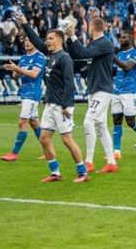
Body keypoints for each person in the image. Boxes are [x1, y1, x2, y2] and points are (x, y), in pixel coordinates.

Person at [19, 17, 89, 183]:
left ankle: (83, 172)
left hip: (62, 106)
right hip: (51, 104)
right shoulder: (50, 55)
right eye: (47, 39)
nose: (46, 41)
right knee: (44, 138)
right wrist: (24, 23)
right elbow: (35, 39)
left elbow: (70, 84)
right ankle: (55, 172)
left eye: (50, 39)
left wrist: (66, 105)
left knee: (66, 139)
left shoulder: (64, 58)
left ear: (58, 40)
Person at [64, 16, 119, 173]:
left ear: (93, 28)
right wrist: (69, 37)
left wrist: (73, 35)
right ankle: (111, 163)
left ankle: (88, 161)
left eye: (89, 27)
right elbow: (77, 55)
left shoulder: (105, 43)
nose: (87, 29)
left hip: (102, 89)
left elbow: (84, 53)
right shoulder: (96, 43)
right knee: (101, 126)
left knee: (88, 122)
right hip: (95, 89)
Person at [0, 31, 46, 161]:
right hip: (24, 93)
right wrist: (13, 70)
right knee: (35, 123)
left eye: (29, 40)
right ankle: (47, 151)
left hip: (32, 94)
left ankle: (14, 153)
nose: (26, 42)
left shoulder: (40, 57)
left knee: (22, 122)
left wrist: (18, 69)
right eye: (25, 40)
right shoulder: (24, 58)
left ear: (35, 42)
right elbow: (17, 75)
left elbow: (34, 74)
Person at [112, 32, 136, 159]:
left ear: (131, 39)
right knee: (116, 120)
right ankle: (116, 151)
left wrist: (113, 57)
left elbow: (127, 67)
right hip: (117, 91)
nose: (121, 39)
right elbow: (115, 70)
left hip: (129, 92)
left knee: (130, 121)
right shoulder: (119, 54)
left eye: (124, 37)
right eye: (120, 37)